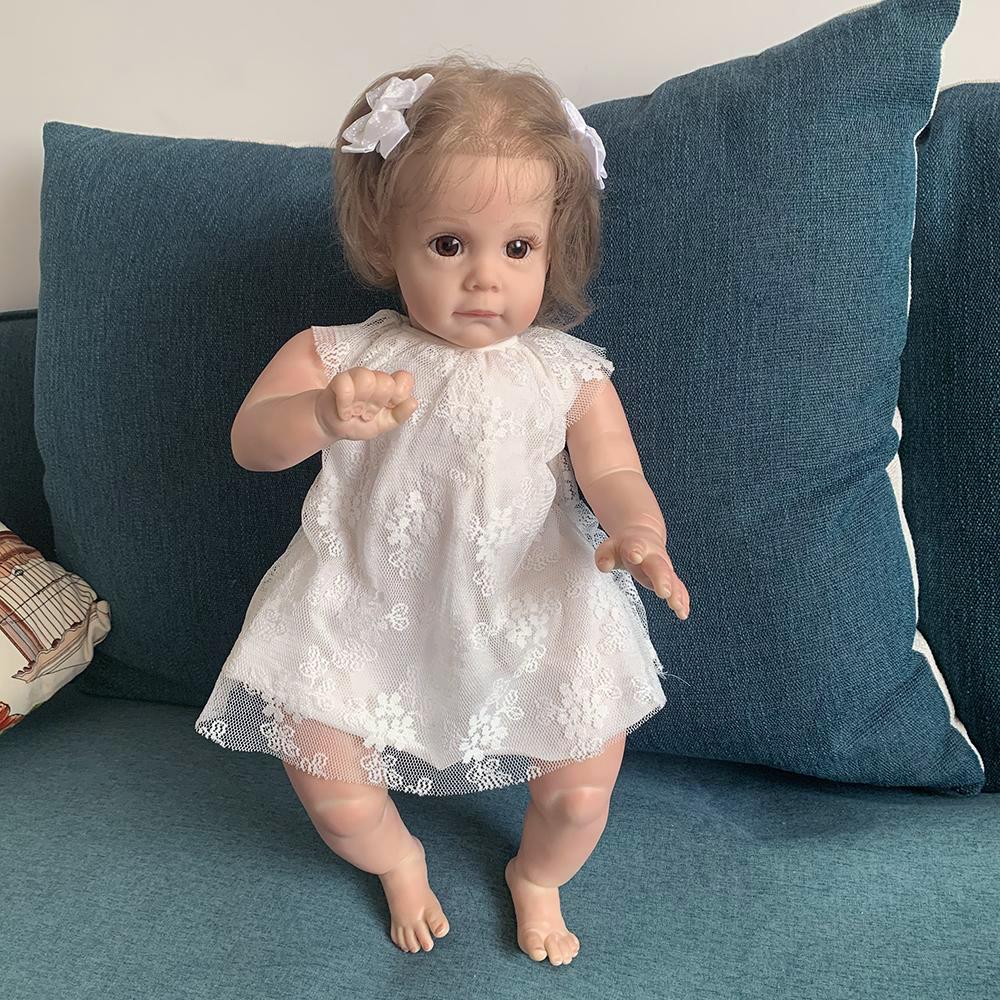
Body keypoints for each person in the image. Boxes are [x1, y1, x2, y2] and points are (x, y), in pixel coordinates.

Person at [194, 53, 691, 967]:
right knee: (334, 793)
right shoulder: (340, 355)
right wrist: (318, 414)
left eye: (517, 248)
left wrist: (639, 531)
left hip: (531, 609)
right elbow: (250, 442)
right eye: (450, 245)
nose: (484, 280)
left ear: (554, 247)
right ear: (388, 241)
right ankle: (396, 859)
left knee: (582, 792)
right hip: (360, 610)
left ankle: (537, 875)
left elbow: (614, 468)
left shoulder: (568, 373)